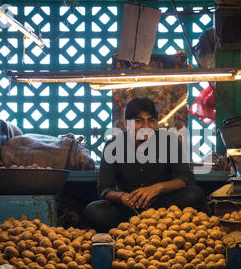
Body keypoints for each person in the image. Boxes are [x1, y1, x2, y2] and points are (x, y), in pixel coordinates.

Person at [82, 97, 205, 232]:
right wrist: (122, 197)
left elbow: (186, 178)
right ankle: (136, 227)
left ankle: (157, 225)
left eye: (151, 121)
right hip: (128, 209)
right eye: (139, 121)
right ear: (127, 123)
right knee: (93, 211)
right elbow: (104, 188)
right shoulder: (113, 145)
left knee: (195, 194)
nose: (146, 127)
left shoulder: (169, 141)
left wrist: (157, 188)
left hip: (163, 208)